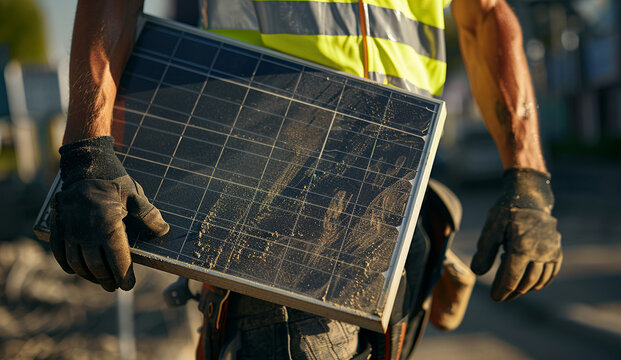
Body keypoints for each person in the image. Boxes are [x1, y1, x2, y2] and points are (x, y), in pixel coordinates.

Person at [49, 0, 562, 359]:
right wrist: (87, 151)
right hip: (272, 202)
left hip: (399, 207)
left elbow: (485, 15)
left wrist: (529, 179)